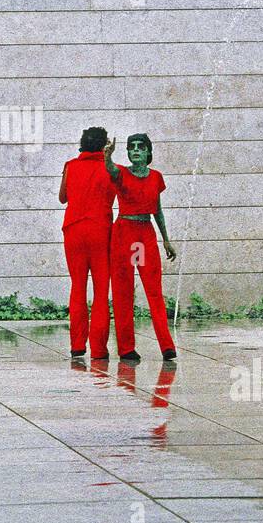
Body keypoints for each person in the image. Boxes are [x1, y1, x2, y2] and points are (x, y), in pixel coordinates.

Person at [103, 133, 177, 362]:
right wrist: (107, 157)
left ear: (147, 152)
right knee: (123, 290)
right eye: (131, 147)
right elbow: (112, 170)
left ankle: (167, 346)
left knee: (154, 290)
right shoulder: (121, 173)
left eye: (140, 147)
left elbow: (158, 210)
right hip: (124, 232)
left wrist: (166, 239)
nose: (135, 150)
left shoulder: (156, 177)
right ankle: (126, 348)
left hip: (145, 234)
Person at [59, 127, 116, 359]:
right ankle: (99, 349)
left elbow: (63, 198)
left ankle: (77, 345)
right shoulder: (112, 169)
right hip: (101, 232)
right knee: (101, 291)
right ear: (105, 145)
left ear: (82, 143)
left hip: (74, 231)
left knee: (78, 287)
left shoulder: (70, 166)